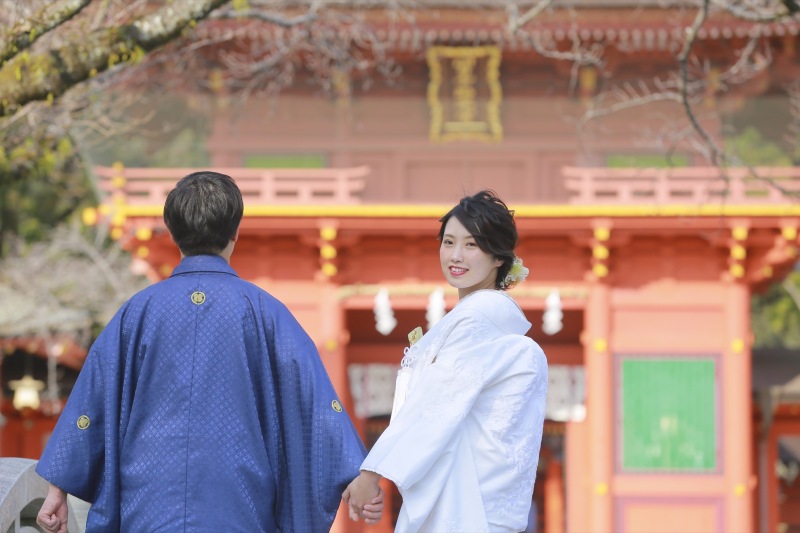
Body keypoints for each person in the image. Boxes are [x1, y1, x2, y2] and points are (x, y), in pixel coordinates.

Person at [36, 171, 382, 532]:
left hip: (149, 506)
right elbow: (313, 400)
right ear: (235, 232)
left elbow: (92, 401)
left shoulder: (137, 312)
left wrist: (58, 488)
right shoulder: (265, 312)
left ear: (171, 233)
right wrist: (353, 474)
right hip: (239, 504)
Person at [342, 190, 548, 532]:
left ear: (499, 257)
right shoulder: (484, 320)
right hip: (479, 503)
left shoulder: (477, 320)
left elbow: (436, 402)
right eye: (448, 242)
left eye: (472, 245)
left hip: (464, 504)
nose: (456, 256)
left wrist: (371, 473)